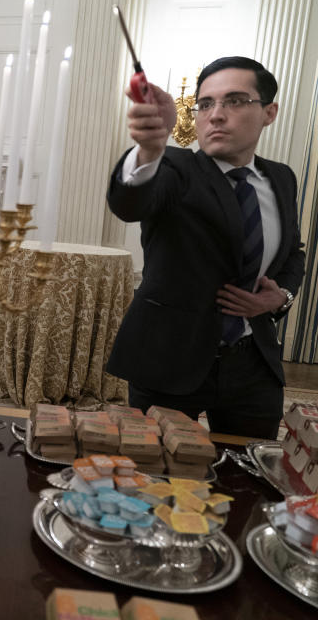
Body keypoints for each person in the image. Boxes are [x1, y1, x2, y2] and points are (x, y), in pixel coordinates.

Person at [107, 56, 305, 439]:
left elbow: (293, 253)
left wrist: (280, 297)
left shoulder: (281, 178)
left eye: (234, 101)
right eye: (206, 103)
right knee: (153, 476)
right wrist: (148, 151)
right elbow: (129, 204)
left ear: (269, 112)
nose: (216, 115)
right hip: (169, 359)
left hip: (253, 365)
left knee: (249, 474)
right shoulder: (175, 169)